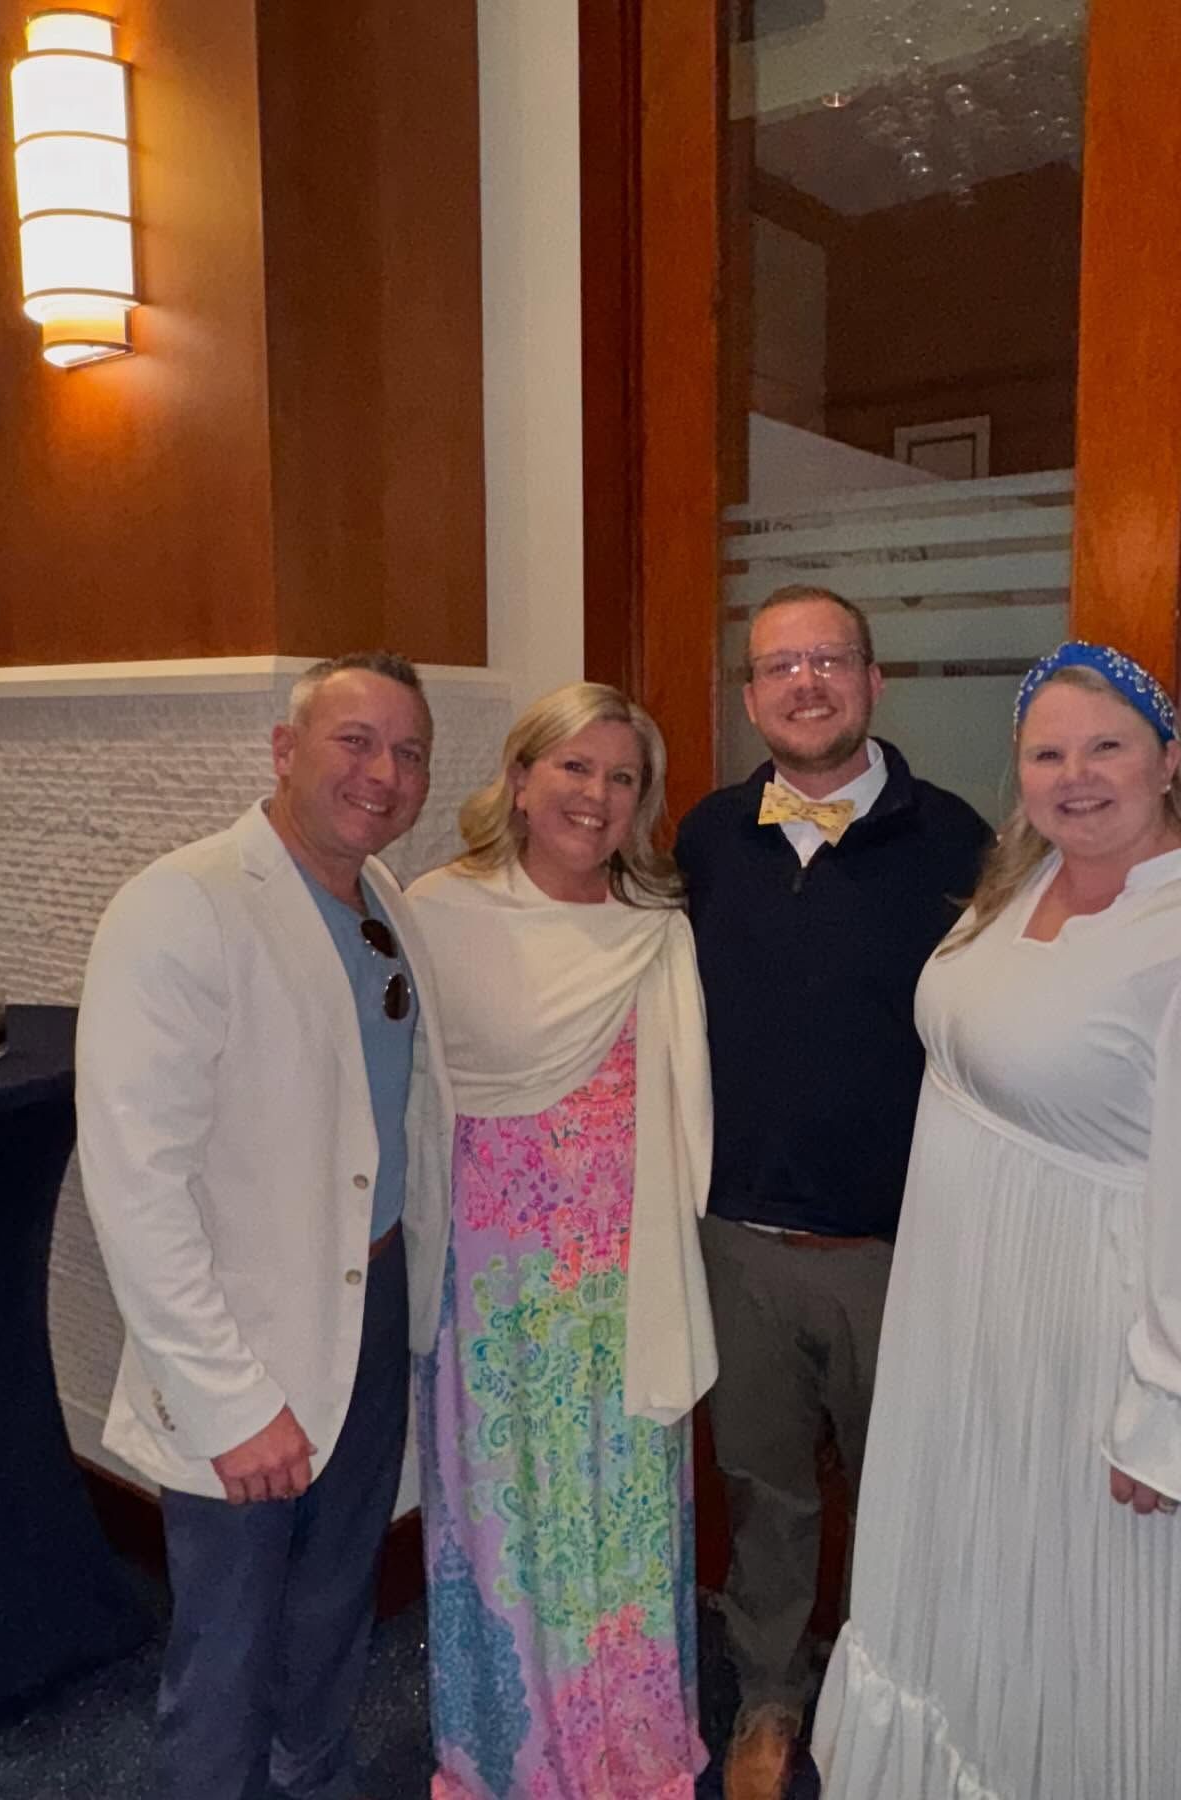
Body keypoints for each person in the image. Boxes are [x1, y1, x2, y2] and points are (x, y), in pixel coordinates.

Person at [813, 641, 1181, 1800]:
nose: (1075, 775)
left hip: (1102, 1337)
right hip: (972, 1316)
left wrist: (1180, 1405)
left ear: (1169, 759)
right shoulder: (1023, 883)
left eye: (1106, 745)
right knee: (975, 1594)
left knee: (1096, 1620)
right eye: (1047, 751)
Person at [76, 652, 451, 1800]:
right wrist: (227, 1400)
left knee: (337, 1600)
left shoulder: (385, 900)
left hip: (374, 1299)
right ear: (285, 751)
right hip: (245, 1330)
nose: (383, 773)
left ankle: (316, 1776)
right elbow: (136, 1180)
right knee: (229, 1642)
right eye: (354, 741)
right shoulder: (181, 904)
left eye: (408, 751)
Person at [674, 584, 990, 1799]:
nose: (805, 683)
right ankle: (767, 1697)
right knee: (764, 1493)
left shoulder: (964, 844)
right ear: (751, 696)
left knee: (907, 1498)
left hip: (896, 1250)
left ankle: (896, 1705)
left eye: (830, 660)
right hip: (740, 1241)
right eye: (779, 666)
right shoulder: (705, 840)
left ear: (873, 680)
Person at [404, 680, 715, 1800]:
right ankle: (511, 1750)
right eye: (573, 768)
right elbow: (407, 1099)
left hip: (619, 1288)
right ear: (522, 778)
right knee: (508, 1523)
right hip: (489, 1289)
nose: (595, 794)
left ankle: (627, 1743)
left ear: (643, 802)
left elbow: (686, 1124)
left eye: (622, 777)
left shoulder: (652, 932)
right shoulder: (433, 912)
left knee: (619, 1525)